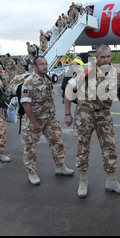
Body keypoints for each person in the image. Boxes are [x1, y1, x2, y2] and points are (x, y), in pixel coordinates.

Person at [64, 44, 120, 198]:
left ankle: (111, 181)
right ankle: (83, 180)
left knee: (110, 147)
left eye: (108, 56)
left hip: (104, 115)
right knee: (83, 147)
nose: (106, 60)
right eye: (102, 57)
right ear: (96, 57)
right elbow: (68, 88)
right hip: (85, 114)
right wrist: (67, 113)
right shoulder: (86, 69)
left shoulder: (116, 72)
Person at [21, 56, 74, 185]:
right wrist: (34, 123)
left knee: (57, 142)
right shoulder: (29, 82)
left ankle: (60, 166)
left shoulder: (46, 79)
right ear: (35, 67)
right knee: (30, 148)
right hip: (35, 120)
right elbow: (26, 104)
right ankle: (32, 172)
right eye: (41, 64)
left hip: (50, 119)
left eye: (46, 64)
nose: (45, 66)